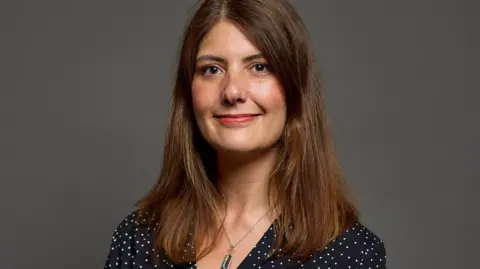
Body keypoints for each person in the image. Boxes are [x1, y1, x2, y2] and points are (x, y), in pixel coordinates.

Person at [103, 0, 387, 268]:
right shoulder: (138, 240)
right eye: (212, 69)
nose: (233, 91)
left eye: (259, 67)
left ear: (294, 89)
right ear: (189, 92)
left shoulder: (350, 254)